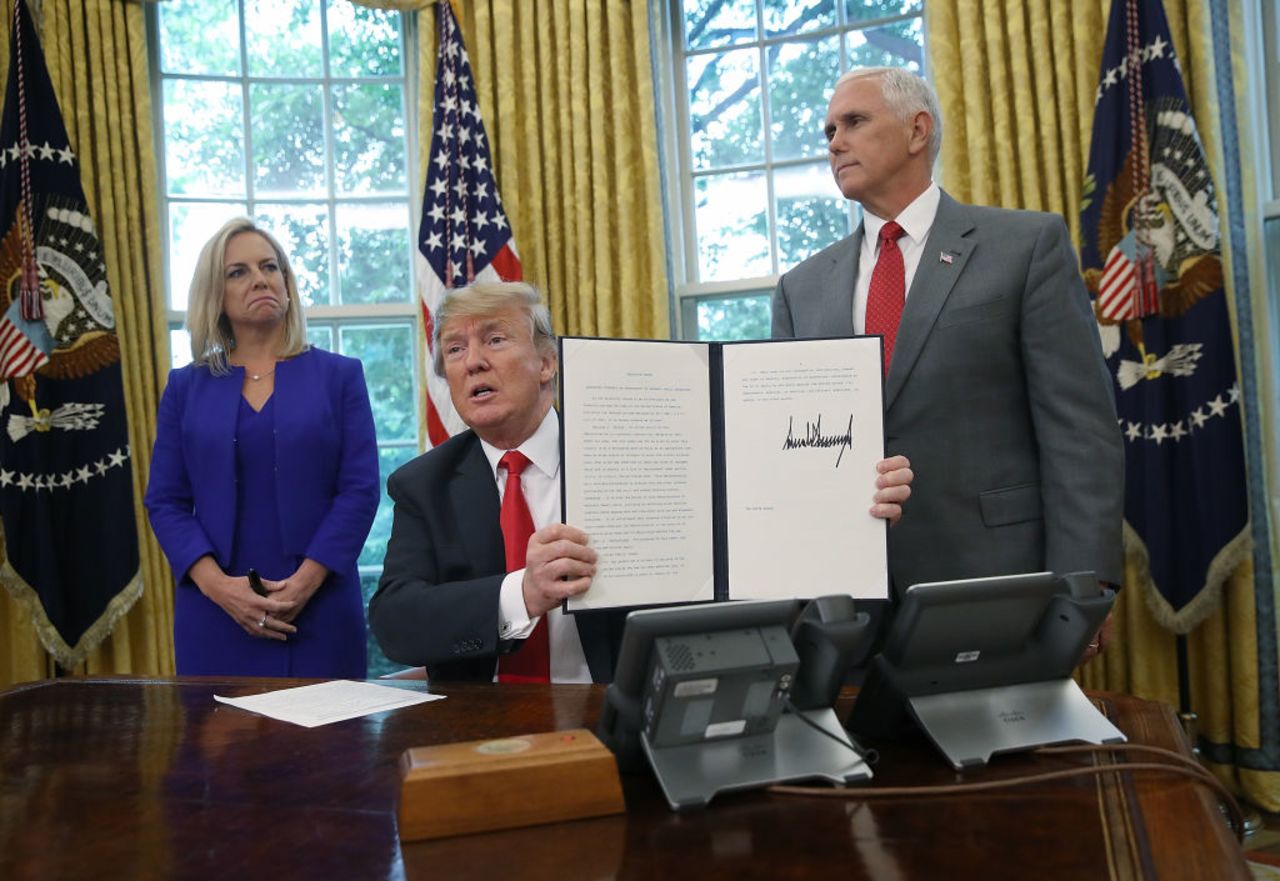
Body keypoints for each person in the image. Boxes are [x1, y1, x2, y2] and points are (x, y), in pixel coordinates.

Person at [369, 281, 913, 683]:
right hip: (483, 734)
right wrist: (523, 593)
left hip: (627, 709)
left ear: (546, 364)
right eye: (455, 349)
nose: (473, 363)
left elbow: (740, 560)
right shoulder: (423, 484)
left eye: (495, 339)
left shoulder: (646, 446)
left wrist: (847, 505)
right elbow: (396, 623)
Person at [772, 68, 1123, 661]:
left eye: (854, 122)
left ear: (917, 131)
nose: (834, 141)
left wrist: (1086, 585)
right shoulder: (800, 288)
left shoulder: (1024, 246)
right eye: (829, 129)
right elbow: (787, 449)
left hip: (995, 583)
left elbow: (1079, 430)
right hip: (842, 607)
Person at [145, 218, 380, 677]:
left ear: (287, 285)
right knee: (217, 748)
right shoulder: (185, 388)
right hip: (214, 613)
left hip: (321, 608)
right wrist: (219, 589)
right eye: (239, 272)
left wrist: (306, 584)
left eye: (270, 267)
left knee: (330, 748)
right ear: (216, 294)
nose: (260, 278)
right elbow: (166, 502)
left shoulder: (340, 376)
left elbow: (360, 490)